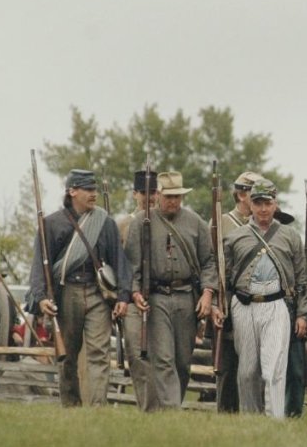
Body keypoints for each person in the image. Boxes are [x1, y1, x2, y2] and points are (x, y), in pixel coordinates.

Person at [28, 169, 131, 406]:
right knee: (68, 356)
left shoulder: (105, 222)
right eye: (87, 189)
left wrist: (123, 296)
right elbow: (39, 264)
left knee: (100, 354)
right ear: (72, 191)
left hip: (98, 292)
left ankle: (97, 408)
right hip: (66, 293)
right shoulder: (51, 224)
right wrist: (42, 296)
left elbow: (119, 262)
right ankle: (71, 407)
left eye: (94, 189)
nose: (93, 194)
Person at [125, 171, 219, 410]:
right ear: (157, 195)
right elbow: (132, 264)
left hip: (187, 297)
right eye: (169, 196)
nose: (173, 202)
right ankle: (171, 414)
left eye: (177, 196)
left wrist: (208, 293)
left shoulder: (195, 222)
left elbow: (209, 261)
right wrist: (135, 292)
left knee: (182, 361)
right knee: (164, 359)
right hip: (156, 297)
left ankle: (172, 405)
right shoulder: (140, 223)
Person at [223, 179, 307, 418]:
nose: (262, 208)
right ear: (250, 204)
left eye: (267, 203)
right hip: (244, 305)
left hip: (276, 304)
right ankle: (250, 419)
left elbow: (302, 279)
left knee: (274, 368)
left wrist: (303, 314)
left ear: (275, 205)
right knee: (247, 370)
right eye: (258, 203)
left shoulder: (290, 236)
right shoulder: (234, 237)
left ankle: (274, 420)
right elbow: (225, 279)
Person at [212, 170, 263, 413]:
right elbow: (210, 262)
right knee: (227, 366)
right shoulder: (220, 222)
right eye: (255, 192)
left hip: (260, 300)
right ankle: (226, 415)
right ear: (242, 194)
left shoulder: (265, 224)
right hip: (229, 299)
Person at [118, 169, 159, 411]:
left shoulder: (165, 220)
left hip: (161, 297)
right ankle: (148, 409)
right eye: (144, 192)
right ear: (135, 194)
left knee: (162, 357)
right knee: (137, 354)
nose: (149, 197)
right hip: (133, 300)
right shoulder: (123, 225)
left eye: (152, 191)